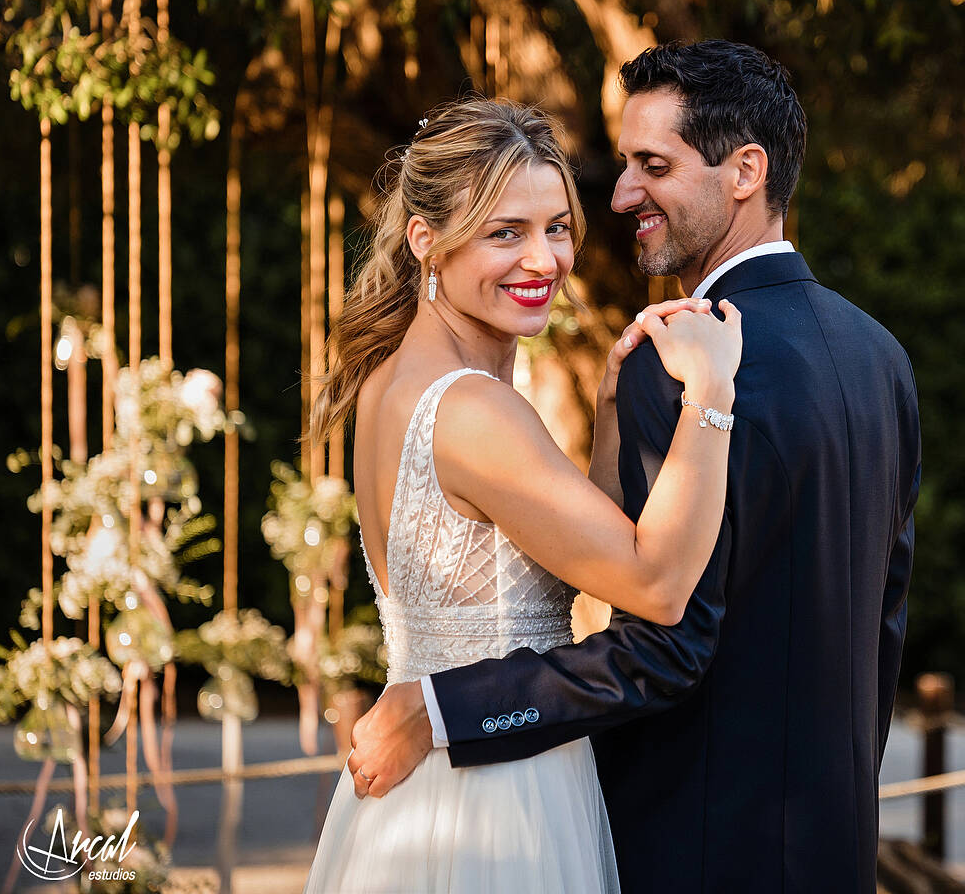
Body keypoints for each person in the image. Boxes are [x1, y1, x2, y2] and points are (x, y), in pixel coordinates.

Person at [350, 40, 921, 892]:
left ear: (746, 171)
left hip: (680, 842)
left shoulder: (680, 362)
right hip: (828, 840)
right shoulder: (879, 356)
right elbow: (883, 620)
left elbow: (665, 639)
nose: (618, 197)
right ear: (429, 241)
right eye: (507, 232)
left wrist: (440, 711)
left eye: (650, 164)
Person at [302, 96, 742, 893]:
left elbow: (560, 558)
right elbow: (657, 584)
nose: (543, 260)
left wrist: (609, 419)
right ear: (425, 240)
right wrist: (712, 391)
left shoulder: (396, 380)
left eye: (557, 227)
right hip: (493, 795)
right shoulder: (474, 409)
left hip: (439, 774)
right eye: (505, 232)